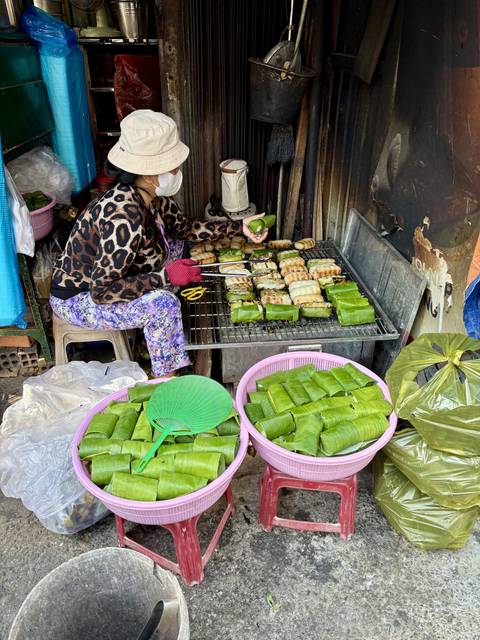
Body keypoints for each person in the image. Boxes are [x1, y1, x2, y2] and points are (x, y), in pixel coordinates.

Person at [50, 110, 267, 376]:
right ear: (152, 174)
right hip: (79, 298)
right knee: (163, 304)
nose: (178, 171)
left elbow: (184, 229)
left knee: (176, 247)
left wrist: (239, 227)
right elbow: (102, 292)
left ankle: (163, 334)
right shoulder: (125, 217)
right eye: (173, 166)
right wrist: (165, 276)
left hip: (116, 280)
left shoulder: (155, 197)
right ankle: (166, 377)